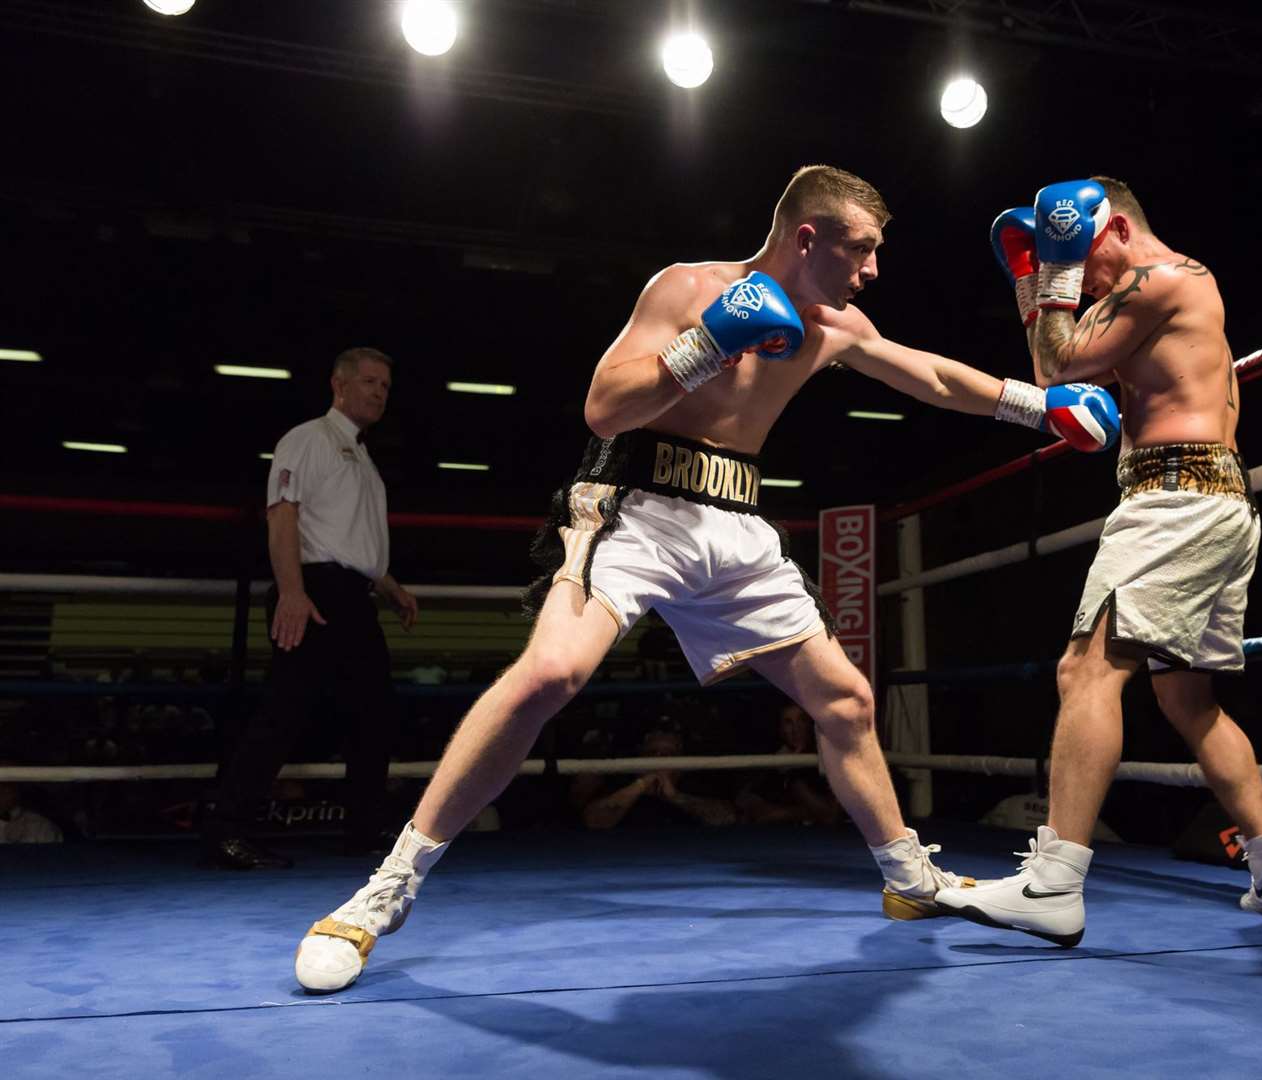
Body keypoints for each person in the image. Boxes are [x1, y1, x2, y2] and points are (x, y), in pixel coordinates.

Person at [293, 164, 1117, 993]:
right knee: (549, 673)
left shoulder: (836, 324)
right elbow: (605, 409)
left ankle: (911, 882)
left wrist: (1033, 406)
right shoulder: (688, 288)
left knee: (848, 702)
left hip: (736, 522)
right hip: (635, 505)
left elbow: (931, 375)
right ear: (808, 237)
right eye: (861, 250)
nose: (872, 270)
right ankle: (385, 891)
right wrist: (708, 342)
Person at [935, 178, 1262, 947]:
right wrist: (1032, 281)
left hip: (1173, 499)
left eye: (1074, 253)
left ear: (1106, 229)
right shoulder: (1155, 296)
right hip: (1214, 502)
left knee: (1085, 672)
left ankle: (1055, 882)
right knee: (1189, 703)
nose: (1080, 279)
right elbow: (1061, 366)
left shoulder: (1164, 279)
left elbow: (1054, 369)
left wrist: (1049, 280)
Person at [199, 347, 418, 869]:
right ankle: (226, 829)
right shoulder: (307, 439)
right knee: (284, 713)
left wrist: (388, 586)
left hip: (351, 596)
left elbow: (346, 540)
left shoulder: (362, 456)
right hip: (316, 590)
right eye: (369, 381)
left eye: (385, 385)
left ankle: (363, 829)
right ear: (338, 385)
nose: (379, 392)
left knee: (373, 714)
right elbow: (283, 518)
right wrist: (293, 591)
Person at [574, 724, 739, 829]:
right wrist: (640, 786)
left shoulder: (694, 785)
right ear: (640, 757)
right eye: (652, 753)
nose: (660, 759)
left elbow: (727, 818)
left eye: (669, 754)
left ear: (682, 760)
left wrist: (675, 797)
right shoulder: (622, 784)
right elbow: (594, 821)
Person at [738, 702, 842, 826]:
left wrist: (792, 772)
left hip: (827, 841)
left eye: (801, 720)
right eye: (788, 722)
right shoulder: (776, 758)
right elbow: (756, 810)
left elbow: (830, 816)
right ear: (781, 729)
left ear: (810, 724)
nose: (795, 729)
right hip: (785, 840)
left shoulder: (828, 755)